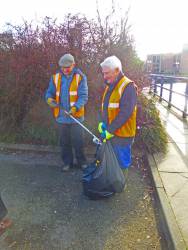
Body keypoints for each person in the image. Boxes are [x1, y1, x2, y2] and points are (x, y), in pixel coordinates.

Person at [45, 53, 88, 171]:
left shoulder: (80, 77)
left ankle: (82, 162)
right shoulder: (55, 77)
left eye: (67, 67)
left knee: (79, 141)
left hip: (76, 117)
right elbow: (49, 93)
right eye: (62, 67)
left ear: (73, 65)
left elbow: (83, 96)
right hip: (61, 117)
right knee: (64, 142)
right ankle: (67, 163)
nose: (65, 70)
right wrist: (49, 100)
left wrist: (75, 108)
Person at [98, 55, 137, 180]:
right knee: (113, 159)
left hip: (123, 134)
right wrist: (103, 123)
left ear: (116, 70)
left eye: (107, 73)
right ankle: (114, 182)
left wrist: (110, 130)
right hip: (112, 131)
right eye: (103, 74)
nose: (104, 77)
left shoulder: (128, 86)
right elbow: (107, 108)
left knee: (122, 161)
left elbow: (125, 113)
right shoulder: (111, 84)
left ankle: (121, 185)